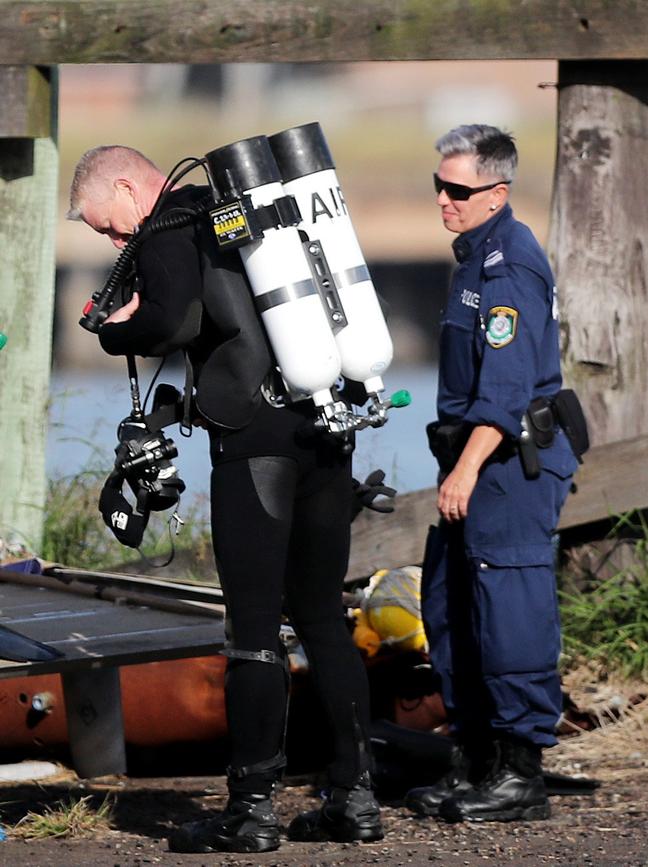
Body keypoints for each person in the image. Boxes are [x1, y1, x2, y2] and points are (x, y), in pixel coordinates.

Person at [68, 145, 385, 853]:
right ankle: (354, 796)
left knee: (251, 630)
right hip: (325, 426)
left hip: (256, 447)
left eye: (108, 227)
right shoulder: (240, 211)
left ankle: (251, 808)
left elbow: (170, 323)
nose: (118, 241)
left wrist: (110, 324)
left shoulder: (169, 225)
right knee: (323, 616)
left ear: (127, 187)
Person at [405, 125, 578, 824]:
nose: (443, 199)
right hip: (474, 461)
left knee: (509, 613)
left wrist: (466, 469)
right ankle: (475, 760)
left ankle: (520, 771)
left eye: (457, 189)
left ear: (495, 193)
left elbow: (505, 394)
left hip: (507, 464)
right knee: (451, 608)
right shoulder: (475, 256)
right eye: (438, 185)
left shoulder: (508, 266)